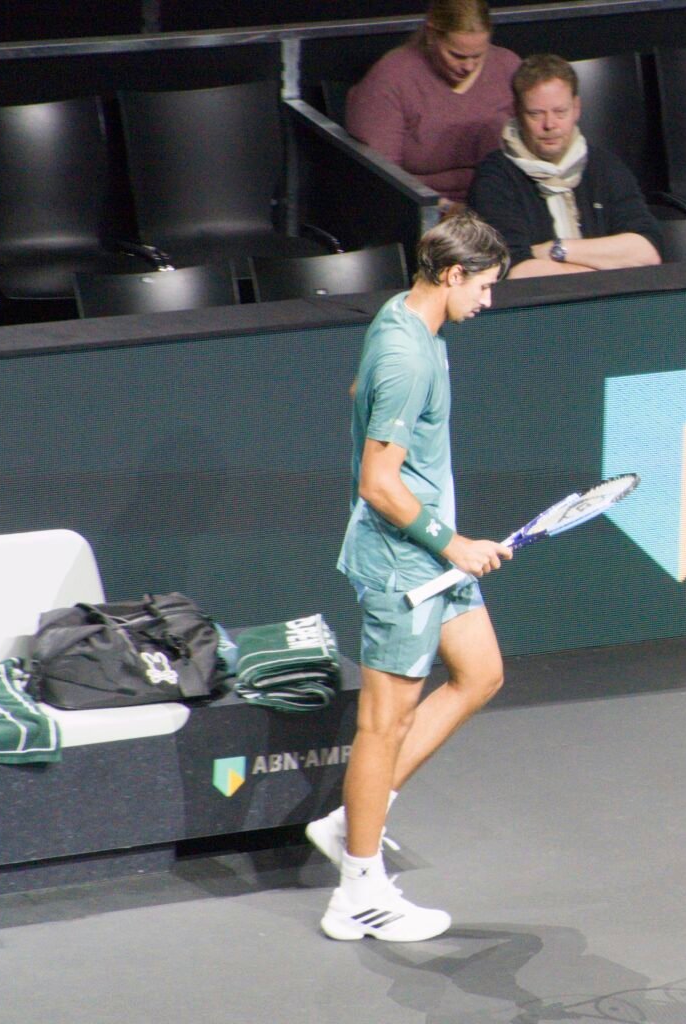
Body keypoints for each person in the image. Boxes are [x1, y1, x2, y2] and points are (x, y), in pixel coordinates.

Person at [306, 210, 513, 942]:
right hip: (406, 561)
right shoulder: (409, 358)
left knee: (481, 672)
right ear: (453, 274)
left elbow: (361, 398)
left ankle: (351, 823)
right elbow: (377, 482)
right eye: (483, 287)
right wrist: (452, 543)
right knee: (383, 725)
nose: (488, 300)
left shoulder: (403, 317)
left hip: (427, 552)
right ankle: (357, 893)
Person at [468, 53, 663, 277]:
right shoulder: (495, 178)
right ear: (518, 113)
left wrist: (556, 249)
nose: (550, 125)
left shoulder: (605, 166)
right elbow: (516, 272)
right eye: (535, 114)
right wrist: (603, 268)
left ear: (576, 108)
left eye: (560, 112)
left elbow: (647, 252)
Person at [344, 0, 520, 204]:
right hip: (426, 208)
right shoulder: (391, 78)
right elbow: (384, 180)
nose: (469, 67)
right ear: (431, 35)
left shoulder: (508, 67)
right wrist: (446, 210)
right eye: (457, 56)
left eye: (478, 56)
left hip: (505, 202)